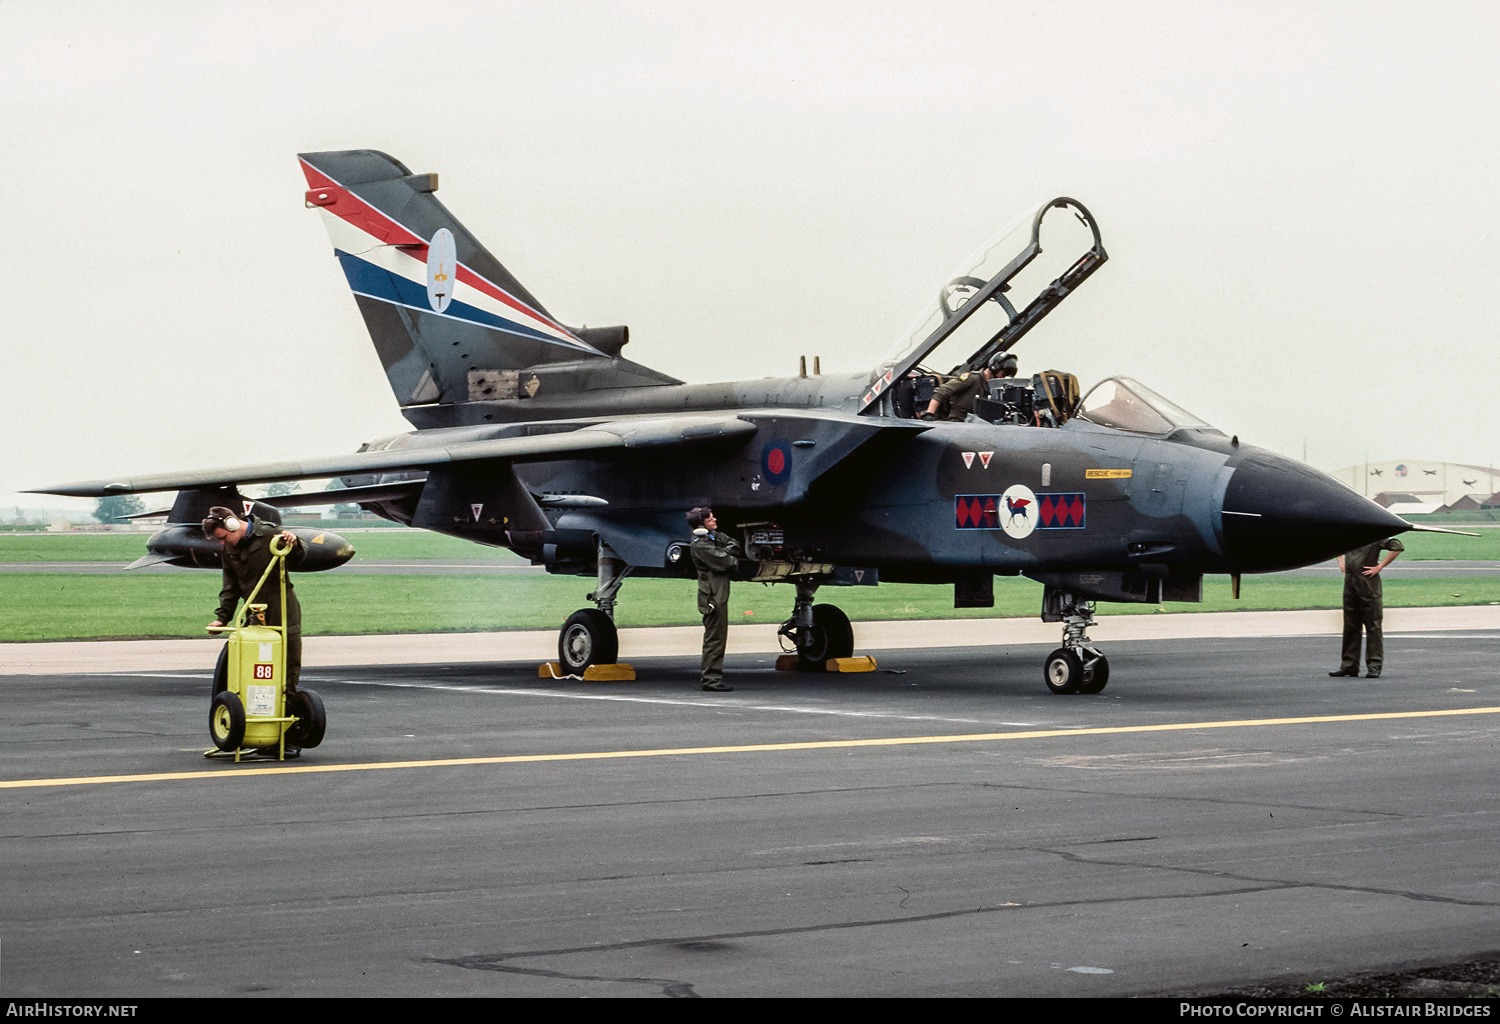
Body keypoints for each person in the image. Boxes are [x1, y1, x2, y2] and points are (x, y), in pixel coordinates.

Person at [203, 506, 305, 693]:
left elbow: (299, 557)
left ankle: (288, 710)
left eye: (223, 537)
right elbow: (230, 587)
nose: (223, 544)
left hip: (282, 609)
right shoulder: (229, 549)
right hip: (255, 614)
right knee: (255, 664)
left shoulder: (269, 534)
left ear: (232, 525)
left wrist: (294, 542)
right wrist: (222, 618)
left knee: (288, 666)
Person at [1329, 536, 1404, 679]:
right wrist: (1341, 562)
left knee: (1373, 627)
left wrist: (1379, 566)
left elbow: (1397, 546)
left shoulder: (1375, 536)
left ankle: (1374, 666)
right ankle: (1349, 666)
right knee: (1350, 626)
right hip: (1350, 584)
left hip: (1368, 586)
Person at [687, 506, 739, 692]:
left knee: (718, 638)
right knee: (715, 639)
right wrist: (729, 556)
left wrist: (727, 551)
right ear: (702, 525)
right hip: (713, 599)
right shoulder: (700, 544)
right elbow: (725, 562)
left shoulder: (712, 537)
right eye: (711, 519)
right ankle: (711, 680)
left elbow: (734, 543)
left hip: (719, 595)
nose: (715, 520)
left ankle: (713, 678)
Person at [923, 352, 1015, 421]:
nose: (1004, 377)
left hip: (977, 424)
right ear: (996, 368)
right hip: (957, 423)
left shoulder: (992, 388)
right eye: (1004, 373)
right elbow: (942, 391)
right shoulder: (972, 379)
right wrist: (930, 413)